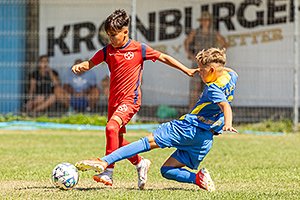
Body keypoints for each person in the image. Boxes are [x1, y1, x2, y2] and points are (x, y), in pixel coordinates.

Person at [75, 48, 238, 191]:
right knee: (167, 170)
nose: (199, 73)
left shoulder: (213, 89)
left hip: (188, 128)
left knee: (146, 143)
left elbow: (225, 106)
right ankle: (198, 178)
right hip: (204, 139)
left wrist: (228, 124)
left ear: (210, 70)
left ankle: (104, 162)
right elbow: (228, 70)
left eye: (201, 70)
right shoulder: (231, 76)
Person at [71, 9, 199, 189]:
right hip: (113, 102)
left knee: (111, 127)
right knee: (117, 138)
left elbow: (163, 57)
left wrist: (186, 70)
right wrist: (81, 66)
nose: (111, 39)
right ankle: (140, 163)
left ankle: (108, 172)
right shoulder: (108, 51)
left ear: (125, 32)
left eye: (114, 35)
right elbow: (90, 63)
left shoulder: (139, 49)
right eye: (108, 35)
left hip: (130, 101)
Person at [184, 11, 228, 109]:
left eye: (207, 20)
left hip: (210, 65)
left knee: (211, 89)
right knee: (194, 90)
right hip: (198, 63)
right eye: (203, 20)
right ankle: (191, 112)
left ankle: (208, 113)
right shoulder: (196, 32)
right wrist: (190, 54)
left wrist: (218, 57)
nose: (205, 22)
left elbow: (224, 43)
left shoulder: (214, 33)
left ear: (209, 21)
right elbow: (187, 42)